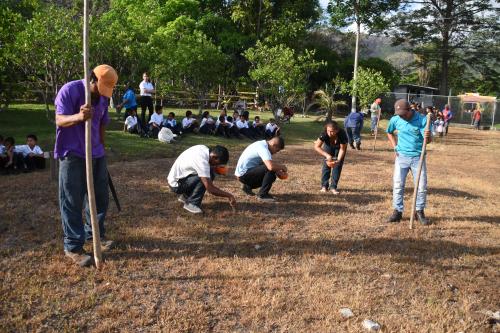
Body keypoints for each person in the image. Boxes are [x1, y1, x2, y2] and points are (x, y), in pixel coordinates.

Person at [54, 64, 117, 267]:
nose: (103, 94)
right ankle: (73, 247)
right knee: (71, 200)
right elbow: (59, 120)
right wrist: (79, 117)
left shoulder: (104, 98)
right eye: (101, 87)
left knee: (99, 198)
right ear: (92, 79)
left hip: (96, 154)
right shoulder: (69, 90)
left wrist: (102, 150)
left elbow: (102, 124)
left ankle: (94, 235)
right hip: (72, 154)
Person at [386, 99, 431, 225]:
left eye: (403, 114)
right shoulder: (396, 119)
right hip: (401, 157)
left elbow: (428, 141)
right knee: (398, 185)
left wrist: (428, 136)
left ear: (410, 110)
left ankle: (419, 211)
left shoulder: (422, 120)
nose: (401, 116)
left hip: (418, 157)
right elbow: (389, 132)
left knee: (421, 186)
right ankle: (397, 211)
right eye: (399, 114)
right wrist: (395, 146)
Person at [167, 145, 236, 214]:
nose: (216, 165)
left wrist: (216, 169)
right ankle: (192, 204)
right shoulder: (202, 162)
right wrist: (229, 195)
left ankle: (185, 197)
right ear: (214, 157)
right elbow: (210, 189)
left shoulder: (203, 149)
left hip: (179, 178)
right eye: (217, 163)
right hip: (177, 185)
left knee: (209, 172)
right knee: (206, 176)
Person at [235, 136, 287, 202]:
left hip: (242, 174)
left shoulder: (261, 144)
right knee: (270, 171)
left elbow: (264, 164)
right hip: (244, 175)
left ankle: (247, 187)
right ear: (274, 145)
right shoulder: (263, 148)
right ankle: (263, 195)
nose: (276, 153)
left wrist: (277, 171)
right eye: (277, 150)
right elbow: (270, 167)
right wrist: (283, 167)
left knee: (270, 170)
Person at [314, 121, 348, 195]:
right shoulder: (325, 133)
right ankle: (324, 186)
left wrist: (338, 160)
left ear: (337, 130)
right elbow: (316, 146)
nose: (329, 133)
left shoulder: (342, 134)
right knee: (326, 165)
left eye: (331, 131)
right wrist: (326, 155)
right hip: (328, 146)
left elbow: (342, 149)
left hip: (339, 148)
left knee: (337, 166)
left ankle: (333, 187)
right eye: (328, 131)